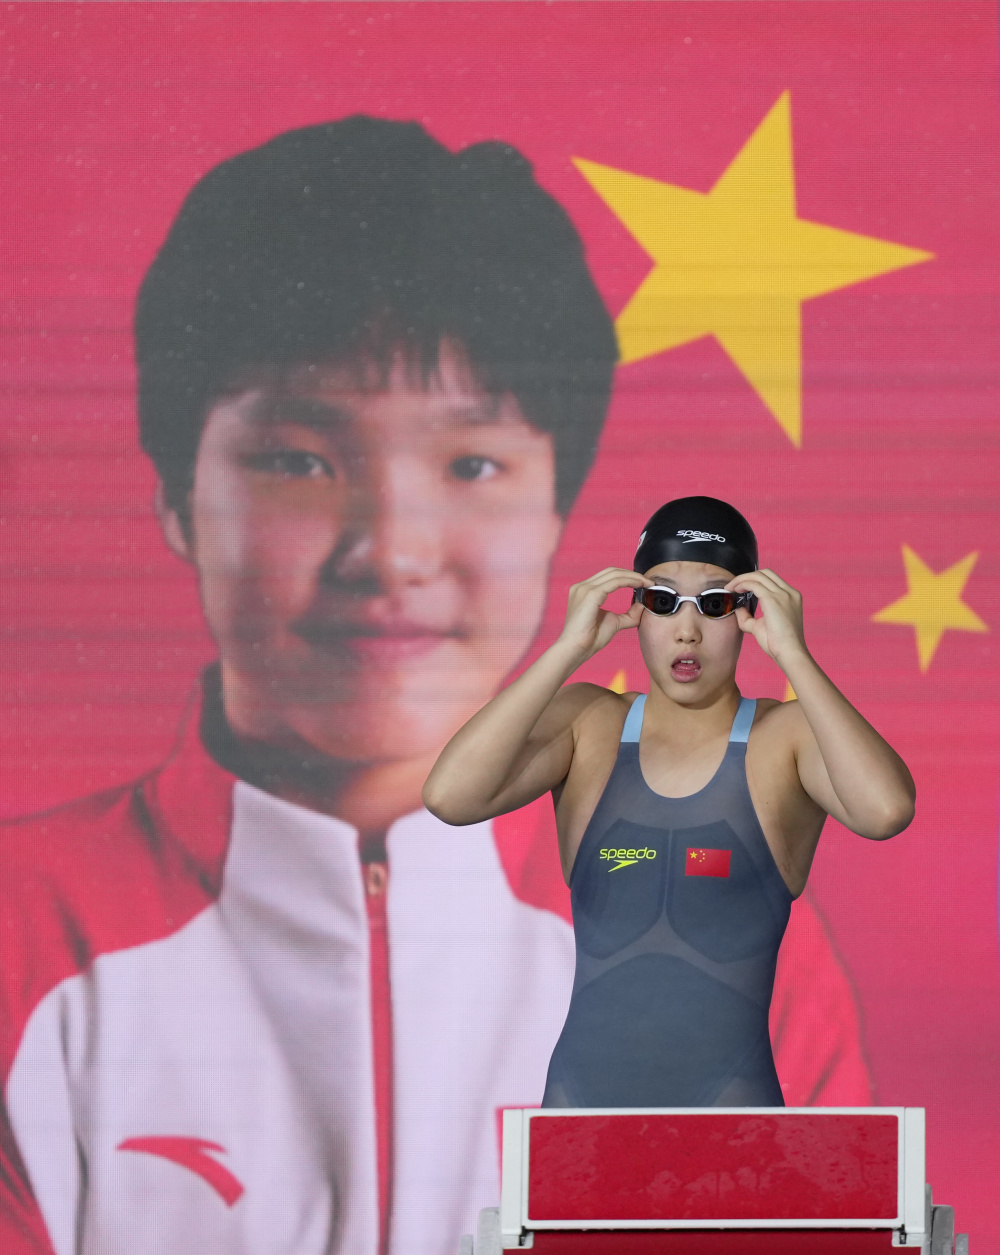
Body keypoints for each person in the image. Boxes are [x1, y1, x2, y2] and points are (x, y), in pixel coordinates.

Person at [0, 120, 873, 1255]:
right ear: (175, 497)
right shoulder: (22, 935)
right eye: (298, 459)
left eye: (472, 464)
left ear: (558, 513)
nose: (393, 554)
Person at [424, 497, 915, 1108]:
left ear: (749, 613)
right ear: (636, 612)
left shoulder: (782, 738)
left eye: (715, 604)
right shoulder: (589, 724)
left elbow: (885, 811)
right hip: (581, 1116)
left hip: (733, 1116)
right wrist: (566, 650)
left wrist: (795, 655)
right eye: (662, 601)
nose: (687, 630)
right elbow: (449, 797)